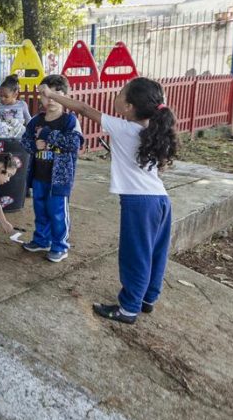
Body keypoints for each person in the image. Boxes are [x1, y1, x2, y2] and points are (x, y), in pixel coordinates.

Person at [39, 78, 178, 324]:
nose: (117, 95)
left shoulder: (124, 128)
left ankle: (128, 308)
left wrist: (52, 94)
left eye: (121, 93)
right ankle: (147, 299)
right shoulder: (153, 132)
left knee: (135, 255)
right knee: (156, 253)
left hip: (139, 204)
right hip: (161, 201)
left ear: (129, 107)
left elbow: (82, 108)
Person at [20, 74, 82, 263]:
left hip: (59, 179)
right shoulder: (36, 120)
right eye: (47, 94)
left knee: (57, 212)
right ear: (40, 96)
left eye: (57, 94)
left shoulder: (69, 121)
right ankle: (41, 240)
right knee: (40, 209)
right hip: (39, 176)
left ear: (65, 96)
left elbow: (74, 143)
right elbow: (25, 140)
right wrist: (34, 146)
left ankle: (60, 246)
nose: (51, 99)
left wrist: (48, 134)